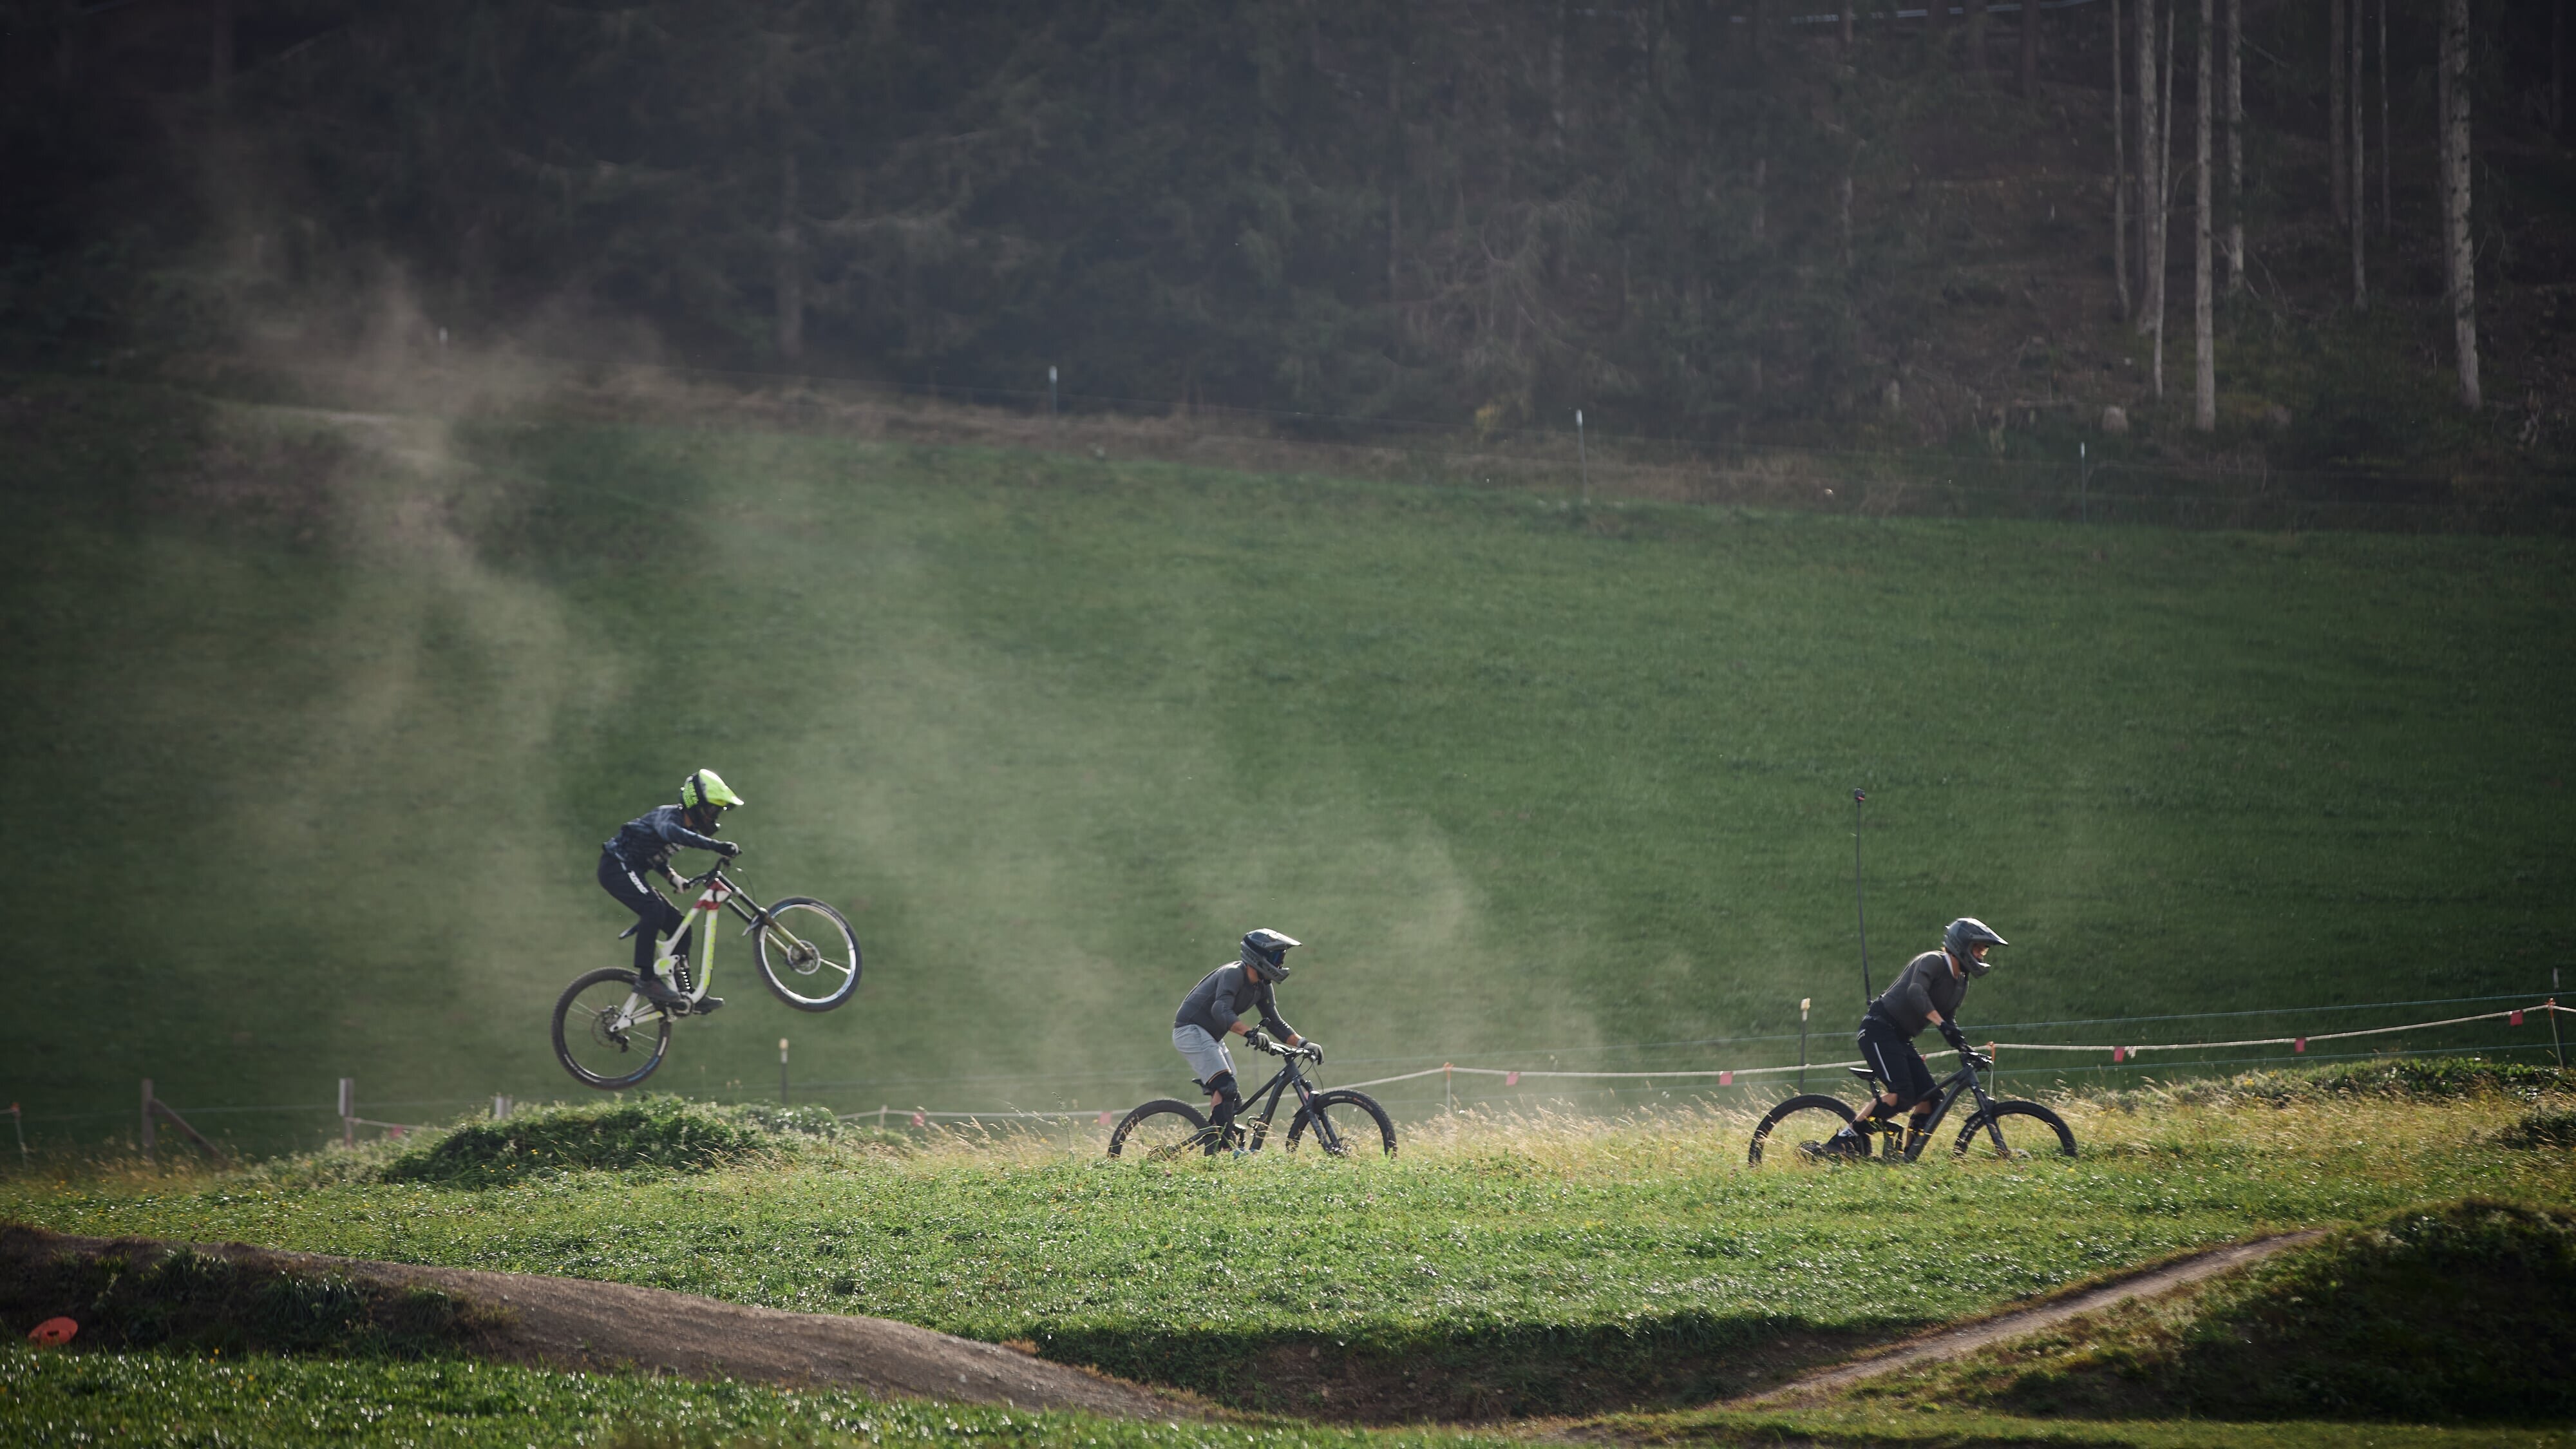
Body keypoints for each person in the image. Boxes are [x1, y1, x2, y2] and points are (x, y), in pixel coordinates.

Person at [1805, 917, 2006, 1160]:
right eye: (1978, 949)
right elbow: (1916, 992)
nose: (1982, 955)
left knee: (1932, 1098)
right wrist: (1942, 1024)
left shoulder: (1960, 983)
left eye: (1984, 951)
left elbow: (1948, 1018)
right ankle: (1845, 1138)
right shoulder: (1932, 961)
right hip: (1878, 1030)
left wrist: (1962, 1045)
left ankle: (1906, 1158)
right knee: (1903, 1094)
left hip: (1900, 1037)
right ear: (1962, 945)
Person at [600, 769, 744, 1013]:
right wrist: (716, 846)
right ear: (696, 805)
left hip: (631, 868)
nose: (714, 816)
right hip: (616, 866)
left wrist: (672, 877)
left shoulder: (680, 826)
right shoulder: (669, 819)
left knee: (681, 928)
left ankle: (685, 992)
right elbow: (673, 834)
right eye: (712, 810)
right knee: (653, 909)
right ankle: (647, 979)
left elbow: (653, 852)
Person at [1171, 929, 1325, 1154]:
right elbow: (1220, 1010)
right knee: (1226, 1086)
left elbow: (1274, 1022)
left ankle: (1214, 1148)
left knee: (1232, 1099)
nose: (1280, 963)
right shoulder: (1234, 974)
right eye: (1276, 958)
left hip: (1211, 1036)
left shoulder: (1263, 986)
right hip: (1191, 1030)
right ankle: (1226, 1150)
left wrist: (1303, 1043)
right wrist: (1249, 1032)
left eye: (1281, 958)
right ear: (1257, 957)